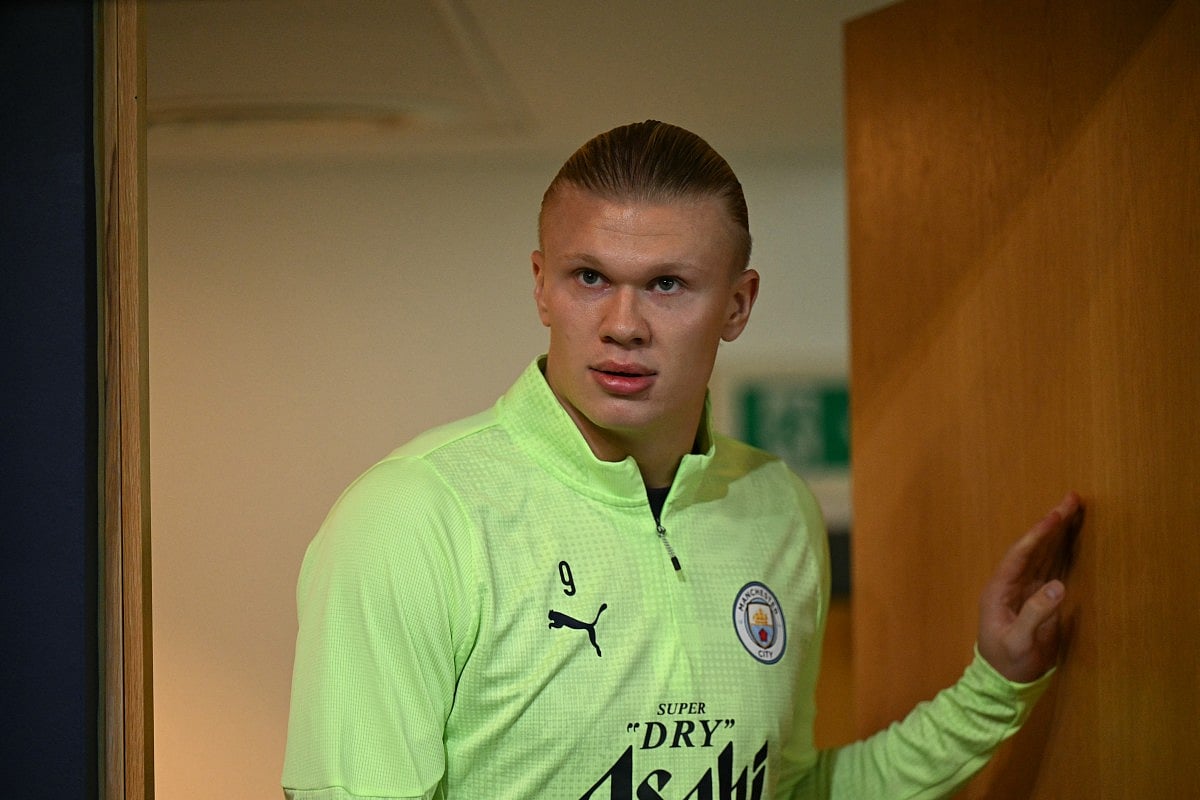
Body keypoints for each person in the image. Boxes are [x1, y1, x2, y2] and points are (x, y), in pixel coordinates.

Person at [281, 120, 1081, 799]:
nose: (623, 324)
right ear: (541, 287)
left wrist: (997, 685)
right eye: (590, 276)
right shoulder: (414, 516)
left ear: (737, 305)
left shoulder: (777, 506)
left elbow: (791, 789)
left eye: (668, 284)